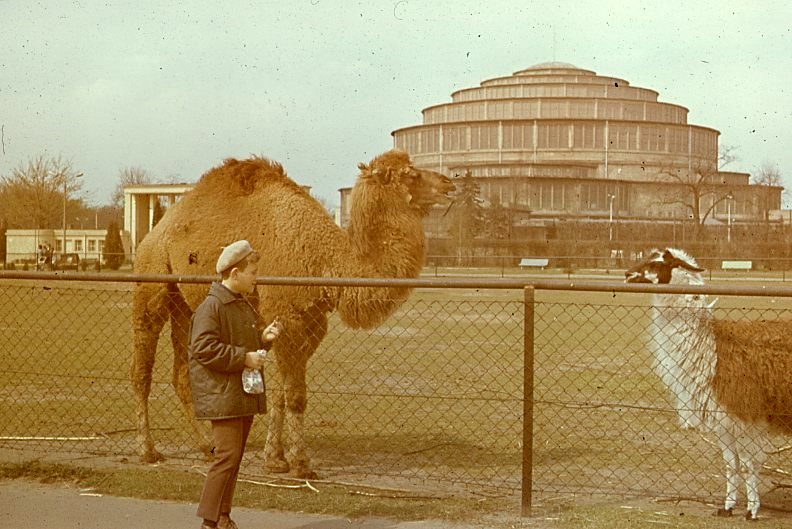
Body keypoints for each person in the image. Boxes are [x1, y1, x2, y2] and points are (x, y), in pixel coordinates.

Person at [188, 239, 281, 529]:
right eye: (252, 272)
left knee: (233, 458)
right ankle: (209, 522)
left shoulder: (239, 305)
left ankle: (223, 517)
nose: (256, 278)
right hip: (223, 394)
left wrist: (263, 340)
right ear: (235, 272)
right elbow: (202, 348)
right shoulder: (212, 306)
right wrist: (244, 358)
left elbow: (242, 346)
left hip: (239, 393)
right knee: (227, 456)